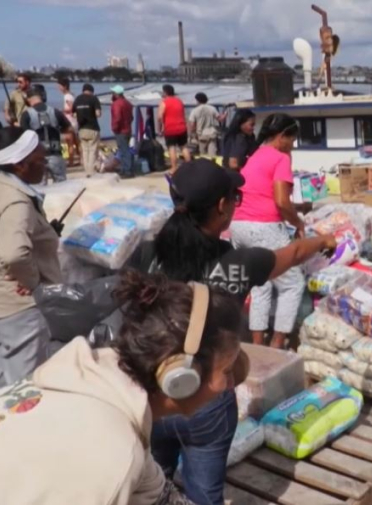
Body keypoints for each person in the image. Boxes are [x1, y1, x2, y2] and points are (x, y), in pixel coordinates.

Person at [127, 159, 336, 504]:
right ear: (222, 207)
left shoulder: (145, 254)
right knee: (204, 494)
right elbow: (295, 251)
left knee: (152, 486)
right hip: (205, 399)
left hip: (152, 397)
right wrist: (323, 239)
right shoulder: (239, 264)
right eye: (234, 197)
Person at [0, 270, 244, 505]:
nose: (231, 384)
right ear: (179, 377)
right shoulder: (114, 454)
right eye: (227, 371)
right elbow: (118, 466)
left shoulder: (91, 381)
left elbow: (158, 494)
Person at [0, 127, 63, 393]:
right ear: (20, 164)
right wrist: (33, 283)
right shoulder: (14, 200)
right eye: (40, 161)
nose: (45, 165)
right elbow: (14, 253)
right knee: (23, 388)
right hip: (16, 310)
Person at [230, 113, 306, 349]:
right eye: (292, 140)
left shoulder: (256, 155)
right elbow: (282, 202)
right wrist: (300, 223)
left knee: (260, 284)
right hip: (262, 226)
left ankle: (257, 344)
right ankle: (277, 343)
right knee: (292, 283)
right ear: (282, 136)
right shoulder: (280, 158)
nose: (293, 145)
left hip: (238, 224)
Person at [20, 84, 71, 183]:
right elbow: (69, 129)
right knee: (62, 185)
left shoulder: (26, 115)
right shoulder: (55, 111)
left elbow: (24, 137)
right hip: (56, 154)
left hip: (37, 156)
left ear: (28, 99)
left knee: (40, 187)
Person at [158, 84, 190, 173]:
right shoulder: (179, 101)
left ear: (165, 92)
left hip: (170, 129)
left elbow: (160, 117)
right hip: (182, 127)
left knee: (172, 148)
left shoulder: (164, 102)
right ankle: (190, 166)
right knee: (184, 147)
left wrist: (160, 128)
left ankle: (174, 167)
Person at [74, 83, 102, 176]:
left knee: (85, 151)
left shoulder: (77, 99)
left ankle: (86, 171)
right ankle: (91, 172)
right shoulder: (93, 98)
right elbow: (98, 114)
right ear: (92, 91)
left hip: (81, 129)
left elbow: (74, 114)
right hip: (93, 128)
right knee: (93, 151)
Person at [111, 85, 135, 178]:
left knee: (124, 150)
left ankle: (128, 170)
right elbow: (131, 117)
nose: (112, 94)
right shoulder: (128, 103)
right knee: (124, 149)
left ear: (116, 94)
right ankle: (125, 169)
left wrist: (115, 127)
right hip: (127, 129)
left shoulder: (117, 104)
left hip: (121, 130)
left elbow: (117, 117)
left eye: (113, 93)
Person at [57, 77, 80, 168]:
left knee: (69, 142)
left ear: (65, 86)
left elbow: (71, 109)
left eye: (60, 86)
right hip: (73, 121)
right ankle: (80, 158)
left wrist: (61, 111)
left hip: (69, 121)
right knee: (75, 142)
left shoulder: (67, 97)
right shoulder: (70, 96)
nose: (58, 88)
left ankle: (71, 161)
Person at [189, 92, 220, 156]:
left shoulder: (195, 110)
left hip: (201, 134)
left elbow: (192, 125)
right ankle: (212, 165)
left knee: (202, 153)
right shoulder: (212, 108)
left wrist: (193, 134)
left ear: (197, 100)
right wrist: (225, 114)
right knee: (212, 153)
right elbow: (219, 118)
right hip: (212, 134)